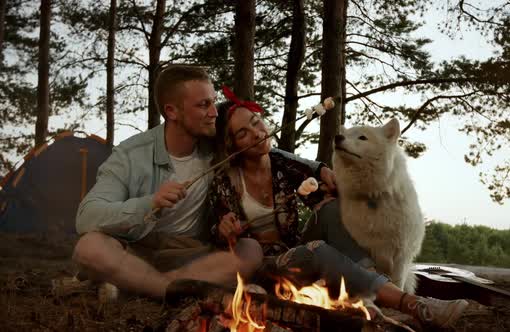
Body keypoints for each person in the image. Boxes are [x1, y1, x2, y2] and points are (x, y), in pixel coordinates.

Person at [207, 89, 470, 328]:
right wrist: (225, 230)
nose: (256, 133)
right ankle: (414, 305)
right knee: (318, 250)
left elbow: (320, 187)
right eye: (243, 133)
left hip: (296, 251)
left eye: (256, 122)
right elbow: (216, 235)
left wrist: (328, 185)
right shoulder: (224, 181)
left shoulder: (282, 164)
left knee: (333, 210)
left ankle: (368, 293)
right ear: (232, 145)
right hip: (264, 268)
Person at [72, 65, 334, 299]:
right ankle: (166, 289)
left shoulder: (215, 145)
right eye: (203, 105)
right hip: (137, 250)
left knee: (250, 251)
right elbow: (86, 215)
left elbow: (261, 145)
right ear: (172, 111)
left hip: (193, 254)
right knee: (89, 246)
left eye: (213, 102)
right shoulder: (130, 155)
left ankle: (142, 284)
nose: (213, 113)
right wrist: (148, 203)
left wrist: (317, 168)